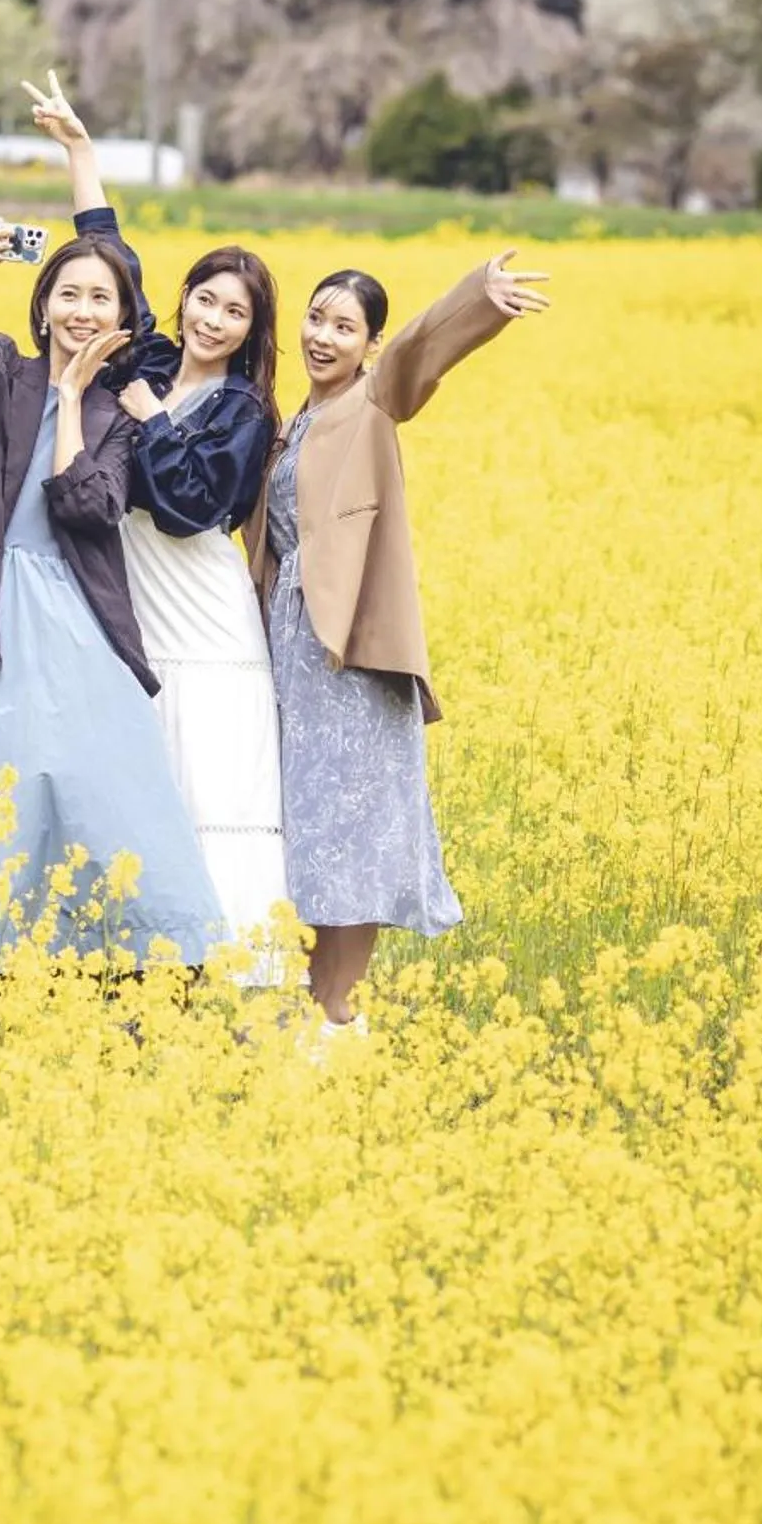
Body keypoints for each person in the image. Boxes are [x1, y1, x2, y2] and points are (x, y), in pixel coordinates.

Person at [22, 73, 290, 973]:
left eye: (233, 311)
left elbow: (191, 507)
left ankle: (233, 954)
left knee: (210, 770)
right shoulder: (153, 355)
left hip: (199, 599)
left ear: (253, 328)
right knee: (145, 765)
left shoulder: (243, 408)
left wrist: (150, 415)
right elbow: (106, 258)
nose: (212, 320)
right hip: (129, 581)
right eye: (203, 301)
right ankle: (141, 948)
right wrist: (80, 154)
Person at [0, 213, 226, 974]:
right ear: (43, 302)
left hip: (75, 610)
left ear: (124, 318)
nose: (82, 312)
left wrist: (80, 391)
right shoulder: (4, 372)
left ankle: (148, 954)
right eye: (69, 295)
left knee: (111, 770)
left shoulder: (117, 414)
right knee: (8, 791)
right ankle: (6, 964)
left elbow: (83, 504)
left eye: (101, 300)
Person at [245, 251, 550, 1032]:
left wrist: (478, 298)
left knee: (356, 830)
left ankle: (336, 1012)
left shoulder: (372, 401)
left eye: (344, 327)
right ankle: (311, 1009)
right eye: (315, 318)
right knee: (310, 832)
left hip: (350, 655)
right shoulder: (288, 423)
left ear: (368, 344)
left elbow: (421, 348)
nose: (322, 336)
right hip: (290, 649)